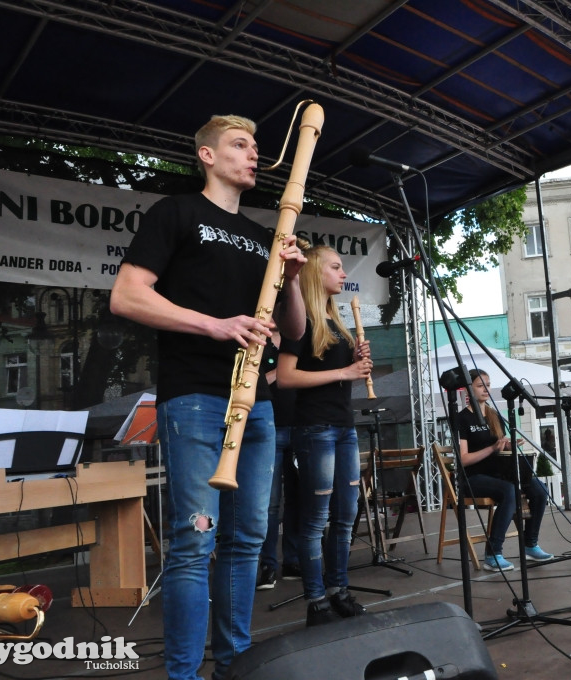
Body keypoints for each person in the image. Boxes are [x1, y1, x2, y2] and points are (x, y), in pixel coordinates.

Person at [110, 113, 308, 680]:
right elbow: (126, 297)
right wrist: (216, 326)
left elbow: (291, 331)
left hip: (259, 404)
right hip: (195, 395)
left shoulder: (260, 235)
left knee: (248, 539)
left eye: (255, 146)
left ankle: (234, 664)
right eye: (240, 145)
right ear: (207, 155)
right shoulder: (175, 212)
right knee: (196, 539)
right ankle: (182, 674)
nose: (254, 155)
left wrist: (292, 278)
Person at [276, 243, 372, 626]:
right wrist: (344, 373)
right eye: (336, 267)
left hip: (343, 426)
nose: (343, 274)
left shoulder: (336, 320)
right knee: (316, 519)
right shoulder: (300, 321)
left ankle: (339, 590)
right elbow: (285, 378)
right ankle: (316, 601)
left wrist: (355, 361)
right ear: (317, 272)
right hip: (314, 428)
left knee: (347, 515)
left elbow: (342, 375)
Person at [457, 369, 553, 571]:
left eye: (488, 385)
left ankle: (530, 544)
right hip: (473, 478)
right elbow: (463, 460)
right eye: (480, 385)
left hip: (498, 473)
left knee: (540, 489)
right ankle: (493, 553)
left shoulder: (494, 416)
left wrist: (507, 445)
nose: (486, 389)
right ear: (469, 389)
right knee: (509, 491)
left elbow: (498, 449)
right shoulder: (462, 419)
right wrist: (492, 448)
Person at [255, 326, 298, 591]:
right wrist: (280, 371)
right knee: (270, 504)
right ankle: (267, 564)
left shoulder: (296, 339)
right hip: (268, 429)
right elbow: (251, 382)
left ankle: (292, 560)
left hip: (299, 426)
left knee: (297, 498)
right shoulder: (258, 340)